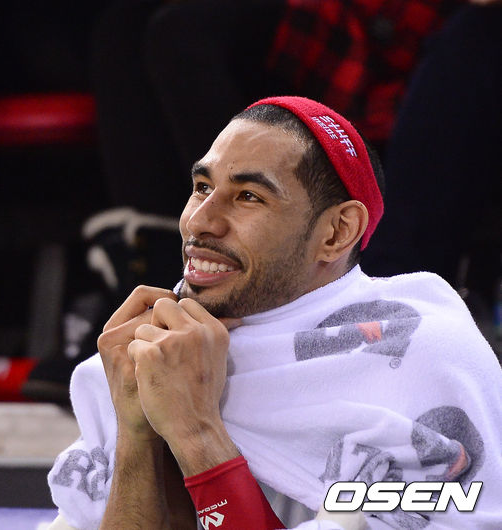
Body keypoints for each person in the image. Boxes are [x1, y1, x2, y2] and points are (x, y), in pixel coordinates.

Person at [46, 96, 502, 529]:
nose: (200, 221)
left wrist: (196, 432)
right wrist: (137, 434)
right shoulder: (155, 351)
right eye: (202, 187)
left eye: (248, 196)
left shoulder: (420, 355)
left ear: (337, 232)